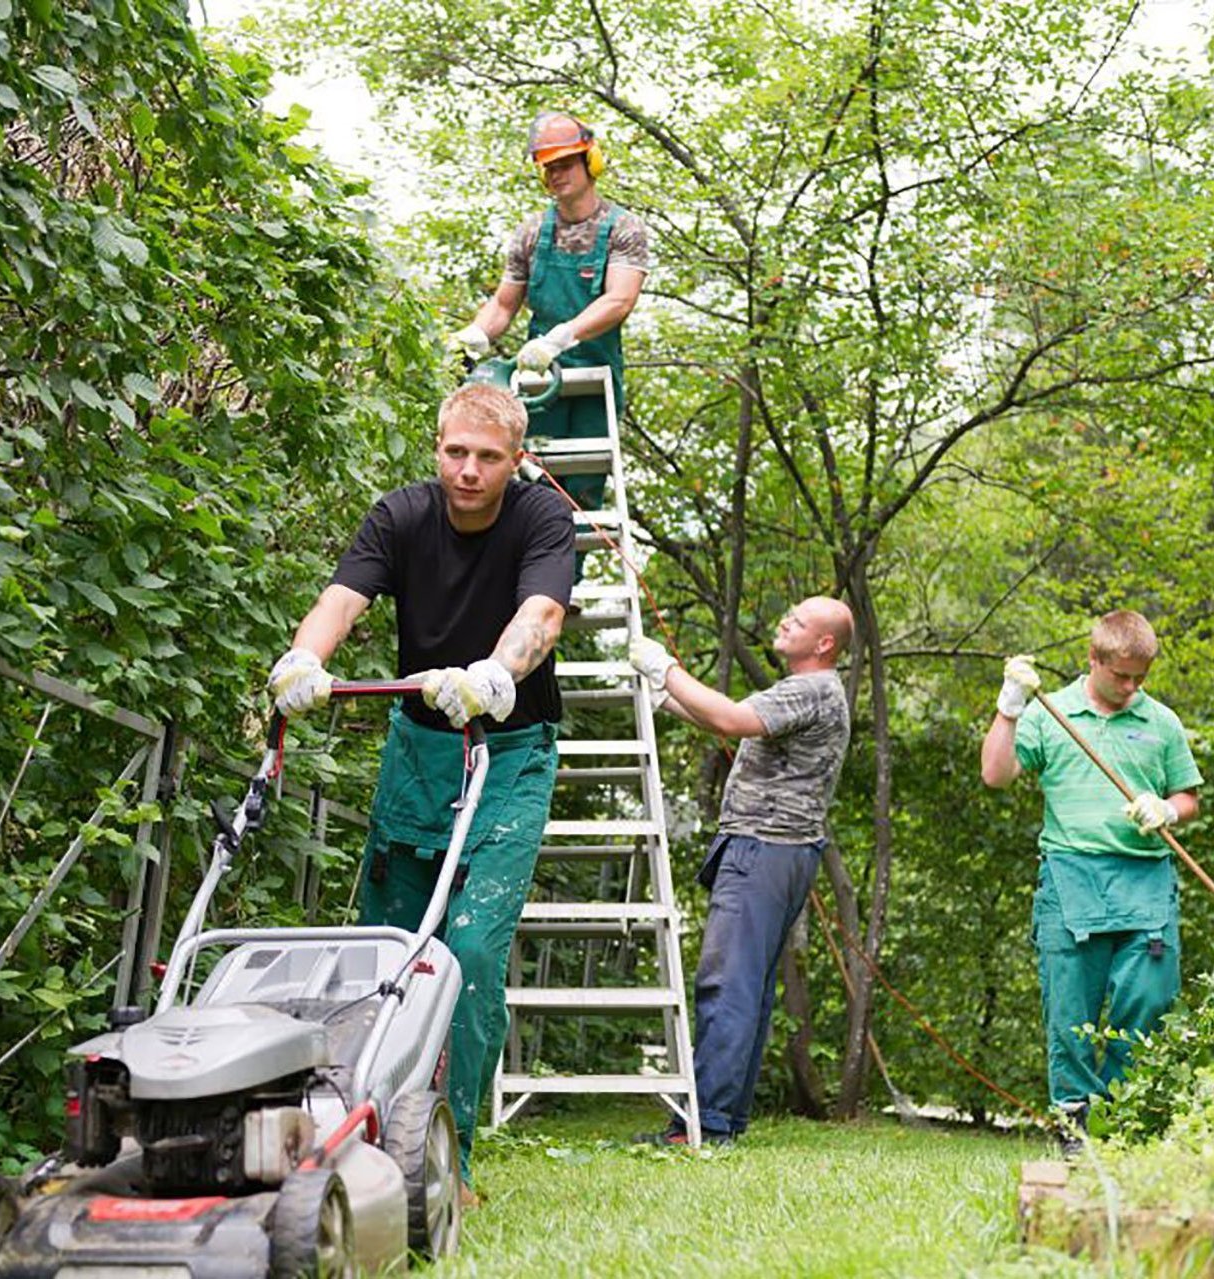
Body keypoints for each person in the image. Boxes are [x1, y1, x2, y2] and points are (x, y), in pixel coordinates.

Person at [267, 381, 574, 1201]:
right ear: (437, 447)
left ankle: (452, 1156)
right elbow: (341, 599)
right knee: (387, 949)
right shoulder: (400, 516)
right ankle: (369, 1136)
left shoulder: (542, 519)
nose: (468, 471)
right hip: (418, 751)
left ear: (517, 460)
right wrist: (304, 660)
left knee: (469, 951)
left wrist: (494, 673)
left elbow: (541, 615)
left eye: (487, 457)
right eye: (455, 452)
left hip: (509, 752)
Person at [627, 596, 854, 1144]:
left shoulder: (811, 688)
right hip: (778, 851)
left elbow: (729, 720)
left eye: (798, 621)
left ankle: (704, 1125)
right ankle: (721, 1118)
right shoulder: (811, 692)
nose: (784, 622)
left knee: (727, 985)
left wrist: (667, 668)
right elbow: (732, 721)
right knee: (745, 988)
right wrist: (667, 696)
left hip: (765, 850)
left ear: (824, 644)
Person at [980, 609, 1203, 1153]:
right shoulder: (1051, 713)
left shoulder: (1162, 723)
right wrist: (1009, 709)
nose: (1131, 688)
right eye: (1121, 675)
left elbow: (1189, 797)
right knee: (1071, 1013)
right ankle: (1074, 1129)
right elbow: (996, 775)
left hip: (1145, 881)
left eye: (1141, 678)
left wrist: (1168, 811)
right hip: (1071, 877)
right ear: (1094, 660)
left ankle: (1123, 1121)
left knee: (1146, 1004)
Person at [449, 110, 651, 516]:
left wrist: (559, 339)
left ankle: (571, 578)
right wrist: (474, 337)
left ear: (590, 161)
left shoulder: (622, 228)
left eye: (565, 164)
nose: (556, 174)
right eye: (548, 167)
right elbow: (505, 304)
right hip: (539, 379)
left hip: (594, 377)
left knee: (582, 494)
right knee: (530, 484)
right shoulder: (532, 232)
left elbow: (619, 300)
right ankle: (529, 578)